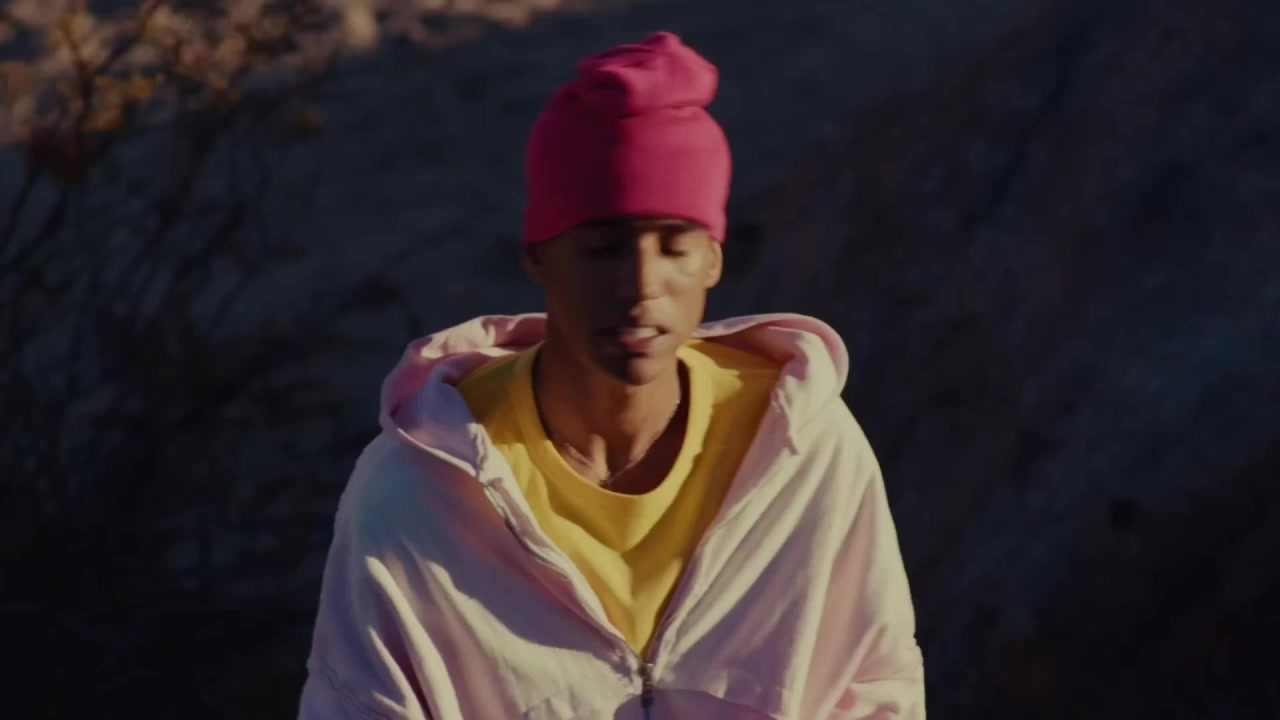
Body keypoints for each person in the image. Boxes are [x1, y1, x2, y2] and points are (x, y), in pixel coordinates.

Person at [298, 31, 925, 720]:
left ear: (713, 260)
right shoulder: (414, 492)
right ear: (538, 254)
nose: (641, 285)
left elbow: (874, 689)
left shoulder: (802, 453)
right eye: (603, 249)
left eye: (674, 247)